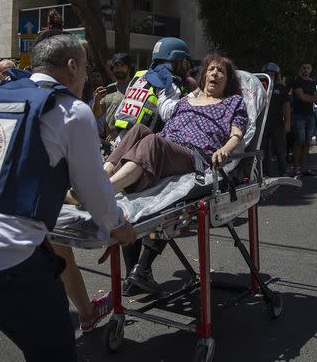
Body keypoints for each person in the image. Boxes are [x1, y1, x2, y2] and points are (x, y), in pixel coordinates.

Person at [0, 33, 135, 361]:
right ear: (72, 66)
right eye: (86, 69)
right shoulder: (70, 110)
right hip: (7, 263)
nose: (87, 78)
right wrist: (118, 225)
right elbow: (95, 191)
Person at [104, 54, 247, 295]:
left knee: (151, 142)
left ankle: (103, 191)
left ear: (228, 80)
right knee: (139, 129)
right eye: (211, 69)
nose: (214, 74)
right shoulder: (185, 102)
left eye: (221, 71)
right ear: (203, 76)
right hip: (166, 148)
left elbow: (237, 133)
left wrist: (225, 150)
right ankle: (103, 177)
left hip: (194, 155)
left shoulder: (232, 102)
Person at [109, 38, 191, 295]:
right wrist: (192, 103)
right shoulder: (170, 80)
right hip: (145, 152)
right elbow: (167, 112)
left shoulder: (141, 76)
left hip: (122, 144)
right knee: (165, 210)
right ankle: (140, 271)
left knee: (128, 209)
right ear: (178, 60)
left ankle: (134, 276)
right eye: (185, 61)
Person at [92, 53, 133, 137]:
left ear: (129, 68)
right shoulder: (109, 88)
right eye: (116, 66)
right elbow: (96, 115)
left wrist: (118, 132)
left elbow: (135, 117)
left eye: (122, 66)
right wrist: (96, 101)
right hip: (109, 139)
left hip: (127, 138)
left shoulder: (135, 87)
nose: (119, 69)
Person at [261, 62, 291, 177]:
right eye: (268, 73)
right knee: (263, 150)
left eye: (273, 73)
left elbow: (287, 106)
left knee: (280, 149)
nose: (270, 75)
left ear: (276, 74)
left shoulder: (281, 87)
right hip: (263, 124)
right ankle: (265, 174)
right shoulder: (260, 87)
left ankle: (283, 172)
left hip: (277, 123)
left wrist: (287, 123)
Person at [291, 63, 317, 178]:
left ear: (311, 70)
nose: (305, 70)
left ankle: (304, 168)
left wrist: (308, 98)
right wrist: (310, 98)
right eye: (303, 68)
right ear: (300, 69)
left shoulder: (312, 82)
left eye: (308, 68)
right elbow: (301, 97)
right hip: (299, 115)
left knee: (307, 143)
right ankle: (296, 168)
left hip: (310, 115)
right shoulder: (297, 81)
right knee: (299, 142)